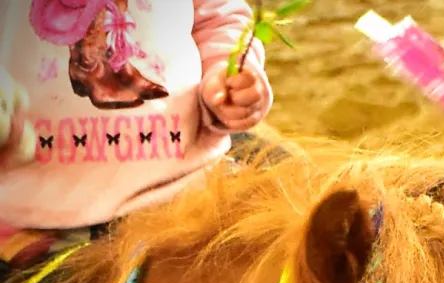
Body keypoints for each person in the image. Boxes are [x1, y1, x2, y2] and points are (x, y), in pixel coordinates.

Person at [0, 0, 272, 268]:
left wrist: (227, 77)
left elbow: (218, 18)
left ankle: (117, 69)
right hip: (34, 222)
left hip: (183, 197)